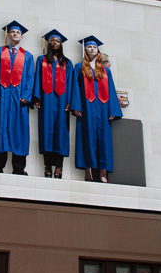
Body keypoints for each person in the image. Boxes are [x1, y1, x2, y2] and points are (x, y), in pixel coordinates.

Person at [0, 20, 34, 174]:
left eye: (18, 32)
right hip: (1, 97)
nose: (15, 34)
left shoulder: (28, 56)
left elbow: (31, 77)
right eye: (12, 32)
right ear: (7, 34)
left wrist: (26, 95)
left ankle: (19, 168)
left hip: (19, 99)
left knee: (19, 131)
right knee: (0, 129)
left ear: (22, 36)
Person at [71, 36, 123, 182]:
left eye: (94, 47)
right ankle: (88, 170)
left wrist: (113, 110)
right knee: (86, 136)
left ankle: (103, 171)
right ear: (85, 50)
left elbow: (111, 90)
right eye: (89, 47)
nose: (92, 49)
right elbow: (75, 88)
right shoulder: (78, 67)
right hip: (86, 107)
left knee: (104, 139)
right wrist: (76, 106)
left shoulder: (106, 71)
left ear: (98, 49)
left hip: (103, 107)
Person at [32, 29, 73, 178]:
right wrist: (37, 97)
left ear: (61, 44)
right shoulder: (41, 60)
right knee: (46, 132)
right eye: (52, 40)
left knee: (61, 132)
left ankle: (59, 166)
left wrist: (69, 102)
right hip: (46, 100)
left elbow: (70, 84)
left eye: (57, 41)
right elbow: (37, 78)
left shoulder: (67, 63)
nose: (54, 43)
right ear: (48, 43)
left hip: (62, 102)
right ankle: (47, 165)